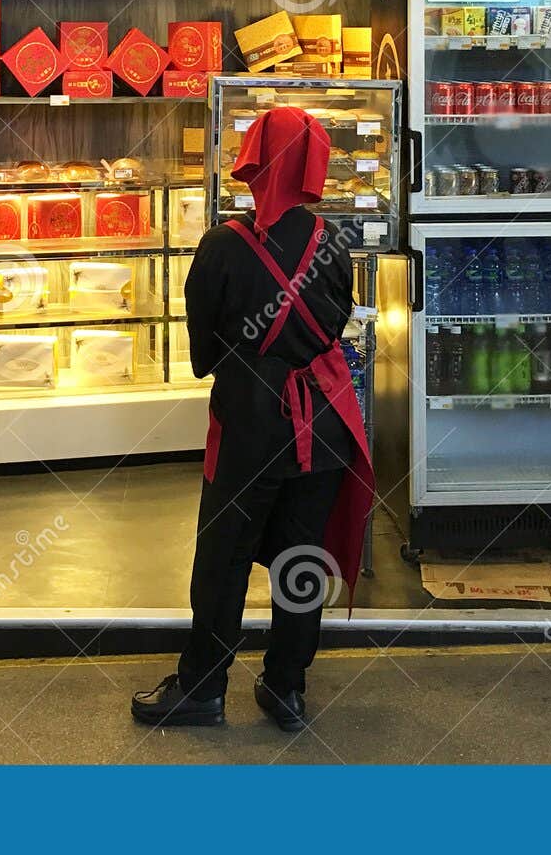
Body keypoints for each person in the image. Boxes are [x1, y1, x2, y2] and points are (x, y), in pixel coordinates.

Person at [132, 106, 374, 731]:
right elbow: (334, 326)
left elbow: (203, 355)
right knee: (301, 555)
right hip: (323, 427)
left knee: (223, 556)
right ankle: (287, 686)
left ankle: (203, 687)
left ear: (253, 159)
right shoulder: (336, 243)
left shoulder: (220, 248)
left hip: (249, 426)